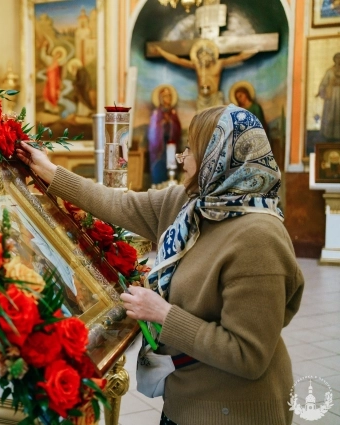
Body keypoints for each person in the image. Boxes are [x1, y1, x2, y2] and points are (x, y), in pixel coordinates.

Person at [16, 104, 304, 425]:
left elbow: (247, 355)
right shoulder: (191, 204)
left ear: (218, 155)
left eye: (191, 150)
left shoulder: (259, 239)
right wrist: (51, 172)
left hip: (234, 410)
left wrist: (163, 315)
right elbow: (118, 203)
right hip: (185, 398)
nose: (182, 159)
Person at [157, 41, 257, 111]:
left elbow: (239, 57)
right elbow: (177, 60)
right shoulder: (197, 65)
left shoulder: (219, 64)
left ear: (211, 55)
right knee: (201, 124)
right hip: (202, 99)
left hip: (215, 98)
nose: (204, 58)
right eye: (201, 56)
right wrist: (162, 52)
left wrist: (256, 49)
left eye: (206, 55)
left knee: (217, 122)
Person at [148, 86, 182, 185]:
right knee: (159, 166)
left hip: (170, 144)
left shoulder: (173, 113)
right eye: (166, 96)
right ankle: (158, 183)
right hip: (159, 147)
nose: (168, 98)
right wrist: (162, 124)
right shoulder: (156, 113)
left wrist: (171, 123)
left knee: (171, 165)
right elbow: (153, 131)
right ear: (161, 98)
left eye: (170, 96)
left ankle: (170, 182)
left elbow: (177, 129)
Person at [318, 52, 340, 141]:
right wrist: (326, 88)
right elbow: (323, 84)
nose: (339, 60)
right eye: (337, 58)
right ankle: (329, 135)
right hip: (331, 98)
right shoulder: (329, 71)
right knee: (330, 115)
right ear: (334, 60)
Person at [40, 42, 67, 114]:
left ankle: (53, 109)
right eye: (57, 54)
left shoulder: (59, 63)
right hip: (49, 80)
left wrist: (61, 81)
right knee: (47, 93)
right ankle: (48, 108)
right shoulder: (49, 59)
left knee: (54, 94)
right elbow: (43, 56)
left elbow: (62, 72)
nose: (57, 56)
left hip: (55, 81)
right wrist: (43, 47)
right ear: (54, 53)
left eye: (59, 55)